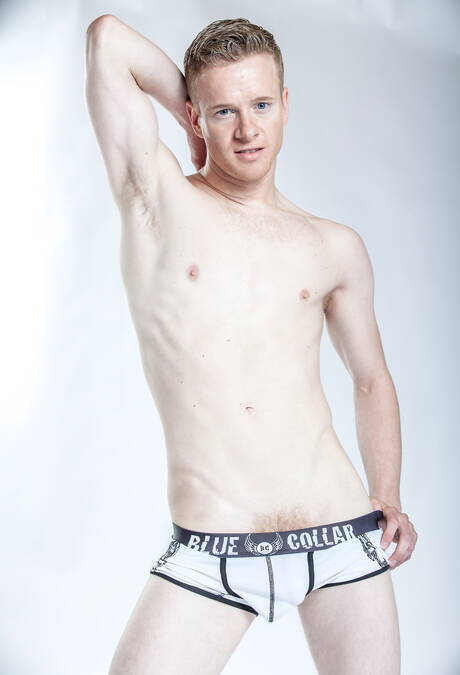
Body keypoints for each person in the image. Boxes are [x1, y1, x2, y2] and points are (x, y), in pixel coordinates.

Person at [85, 14, 417, 674]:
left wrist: (389, 491)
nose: (246, 130)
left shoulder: (332, 245)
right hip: (213, 547)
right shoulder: (158, 202)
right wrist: (186, 121)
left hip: (341, 536)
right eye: (224, 111)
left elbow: (371, 377)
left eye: (261, 105)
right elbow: (107, 40)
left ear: (286, 104)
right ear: (195, 114)